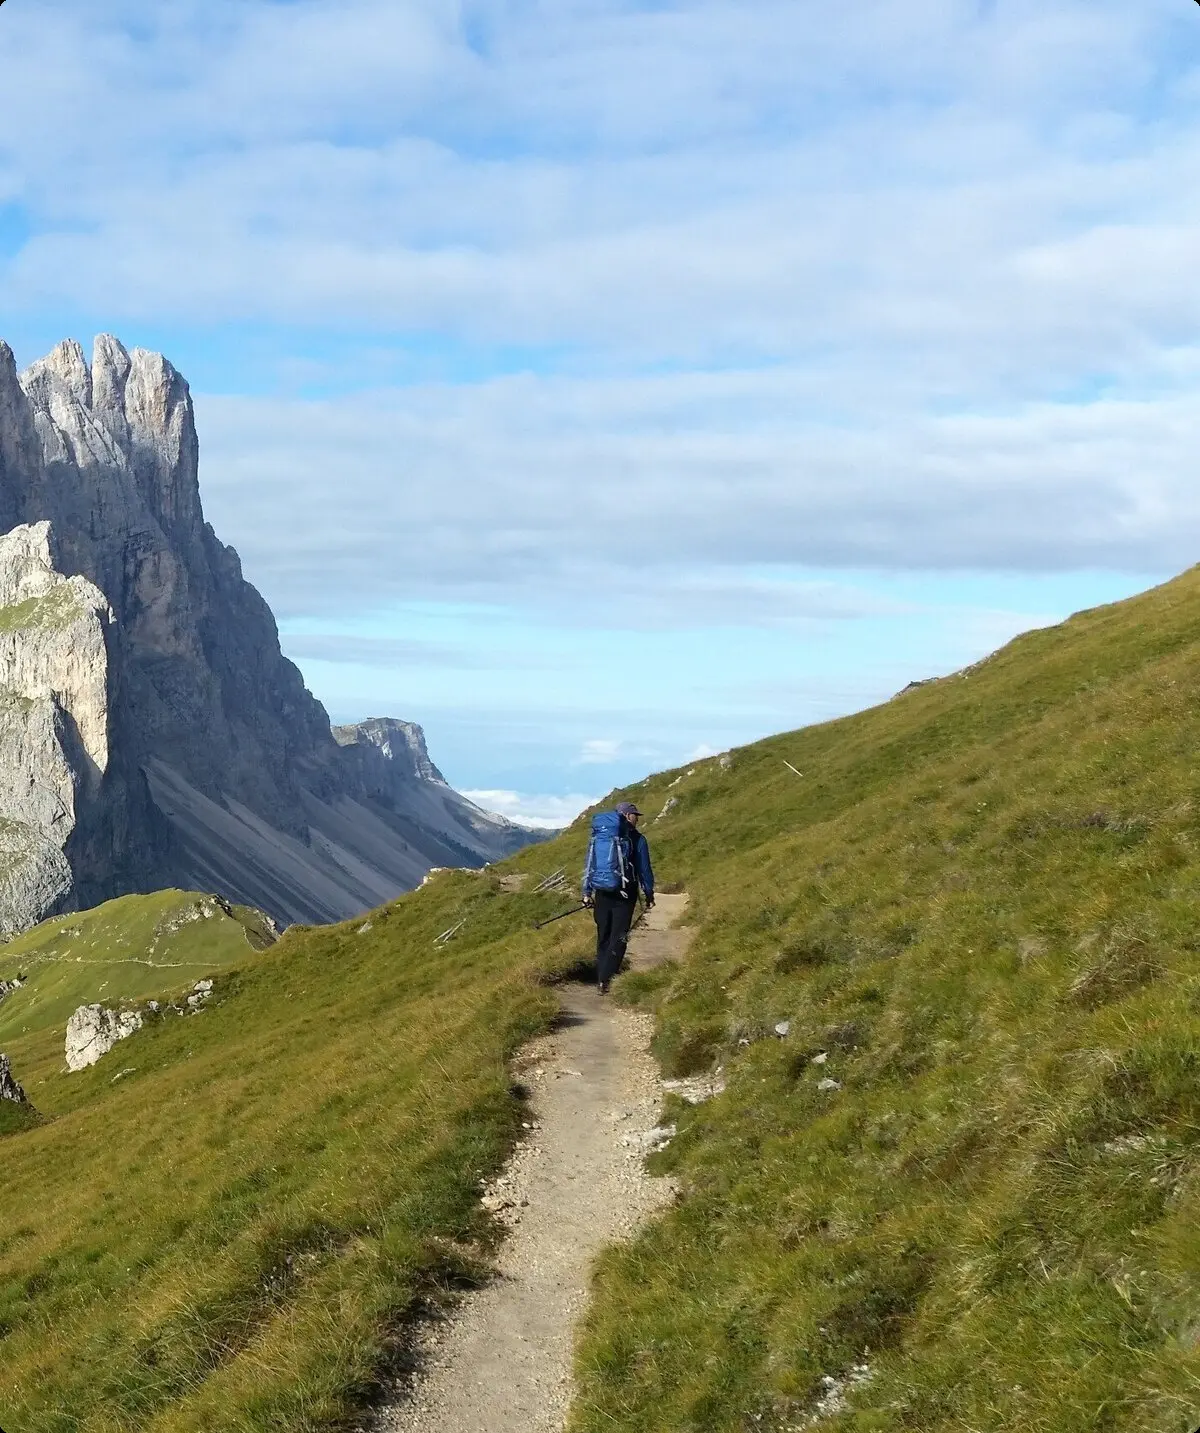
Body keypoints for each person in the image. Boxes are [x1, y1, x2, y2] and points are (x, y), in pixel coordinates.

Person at [582, 800, 655, 994]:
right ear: (627, 816)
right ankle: (606, 980)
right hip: (625, 893)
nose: (637, 819)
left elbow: (590, 865)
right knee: (619, 936)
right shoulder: (637, 840)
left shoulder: (599, 838)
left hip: (601, 891)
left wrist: (586, 893)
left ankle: (601, 977)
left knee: (603, 935)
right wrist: (649, 893)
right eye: (634, 815)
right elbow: (644, 869)